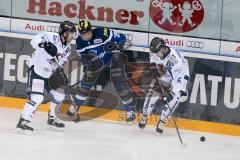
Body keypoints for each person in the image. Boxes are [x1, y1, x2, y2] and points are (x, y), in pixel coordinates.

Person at [66, 20, 137, 123]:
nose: (86, 36)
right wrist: (89, 65)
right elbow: (84, 58)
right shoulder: (79, 42)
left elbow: (122, 38)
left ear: (91, 30)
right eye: (83, 34)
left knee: (118, 82)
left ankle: (131, 111)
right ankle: (74, 108)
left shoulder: (103, 32)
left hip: (114, 58)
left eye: (88, 32)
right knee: (86, 82)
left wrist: (117, 46)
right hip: (98, 62)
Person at [16, 21, 76, 134]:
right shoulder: (50, 36)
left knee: (60, 94)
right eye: (71, 33)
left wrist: (61, 72)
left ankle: (52, 119)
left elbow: (59, 62)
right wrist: (45, 44)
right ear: (64, 33)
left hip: (50, 74)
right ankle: (23, 122)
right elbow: (33, 41)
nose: (73, 36)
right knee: (37, 98)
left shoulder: (68, 48)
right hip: (37, 71)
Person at [138, 37, 189, 134]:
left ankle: (162, 122)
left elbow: (178, 81)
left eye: (157, 52)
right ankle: (144, 116)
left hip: (180, 78)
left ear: (162, 49)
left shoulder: (175, 62)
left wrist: (170, 93)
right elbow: (152, 55)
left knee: (173, 99)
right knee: (152, 93)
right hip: (167, 73)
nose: (156, 54)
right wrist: (153, 65)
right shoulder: (158, 50)